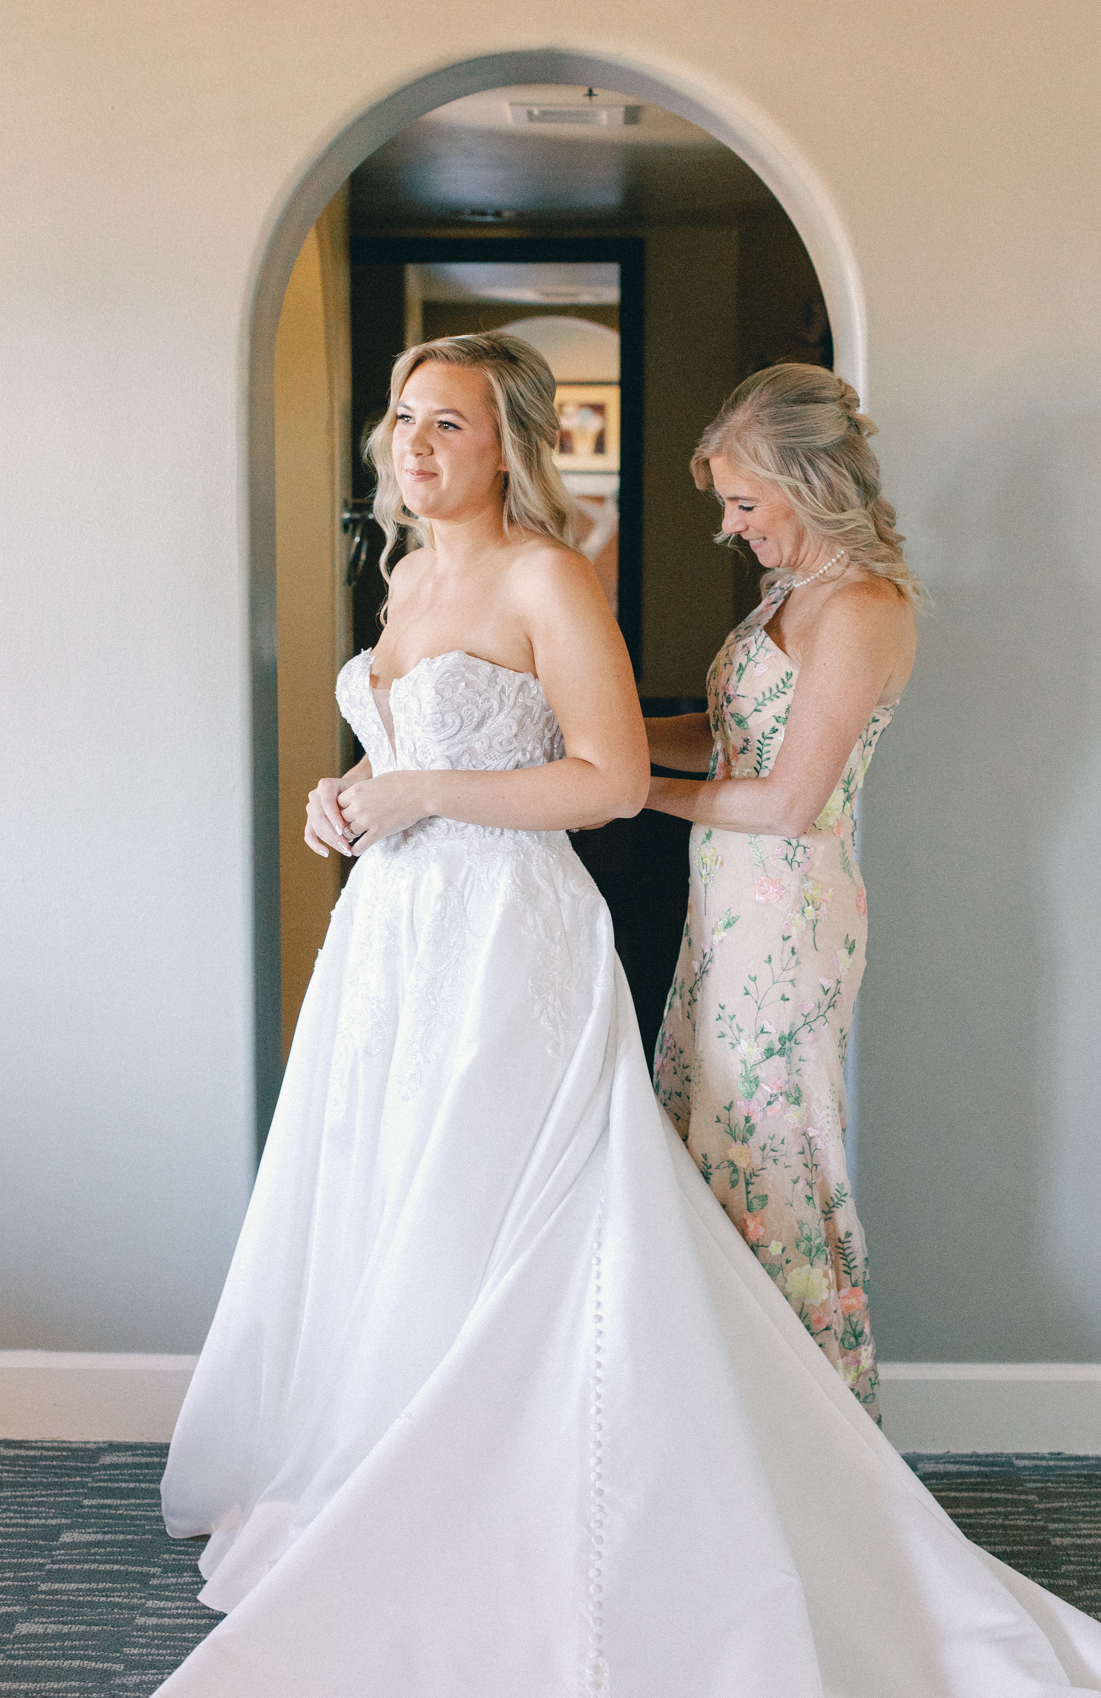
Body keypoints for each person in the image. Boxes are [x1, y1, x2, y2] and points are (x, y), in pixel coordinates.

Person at [155, 334, 1101, 1697]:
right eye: (404, 419)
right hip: (407, 930)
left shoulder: (571, 579)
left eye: (450, 423)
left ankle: (747, 1465)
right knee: (416, 1184)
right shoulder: (411, 572)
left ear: (508, 444)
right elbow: (442, 744)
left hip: (592, 925)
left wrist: (441, 792)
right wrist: (354, 792)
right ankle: (403, 1452)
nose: (415, 445)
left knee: (641, 1194)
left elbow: (614, 780)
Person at [648, 364, 917, 1418]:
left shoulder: (861, 607)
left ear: (808, 482)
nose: (729, 525)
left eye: (745, 502)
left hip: (789, 923)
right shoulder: (787, 594)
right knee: (713, 1153)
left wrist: (632, 794)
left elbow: (789, 798)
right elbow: (727, 740)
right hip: (725, 919)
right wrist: (595, 733)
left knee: (779, 1171)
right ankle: (734, 1420)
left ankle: (820, 1429)